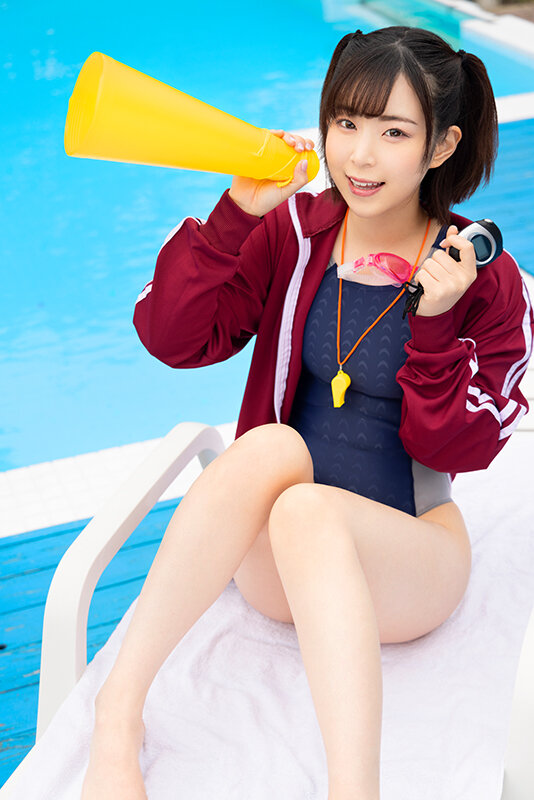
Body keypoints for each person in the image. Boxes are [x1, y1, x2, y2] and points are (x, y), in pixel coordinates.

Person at [81, 26, 533, 800]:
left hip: (407, 565)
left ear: (441, 145)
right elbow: (172, 338)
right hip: (276, 566)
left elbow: (463, 447)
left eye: (393, 132)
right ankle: (117, 718)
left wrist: (433, 325)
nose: (359, 155)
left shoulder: (483, 280)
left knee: (308, 510)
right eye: (346, 122)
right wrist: (236, 215)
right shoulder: (292, 232)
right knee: (270, 454)